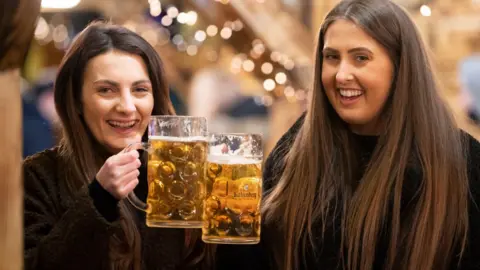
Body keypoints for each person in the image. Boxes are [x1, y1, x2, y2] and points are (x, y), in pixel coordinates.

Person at [216, 0, 480, 269]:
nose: (341, 75)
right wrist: (225, 216)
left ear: (401, 66)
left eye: (360, 58)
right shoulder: (297, 146)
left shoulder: (463, 162)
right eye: (332, 57)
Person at [23, 22, 212, 270]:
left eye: (140, 90)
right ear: (77, 101)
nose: (127, 106)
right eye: (106, 90)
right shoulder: (37, 177)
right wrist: (99, 198)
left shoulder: (177, 175)